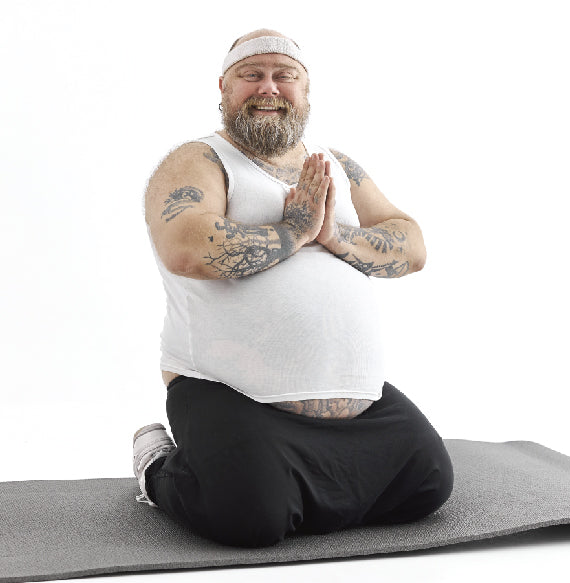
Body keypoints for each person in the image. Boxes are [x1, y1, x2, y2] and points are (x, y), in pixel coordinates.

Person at [134, 28, 453, 548]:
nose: (269, 88)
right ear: (223, 87)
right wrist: (293, 232)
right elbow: (187, 248)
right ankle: (156, 467)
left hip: (359, 403)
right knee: (249, 520)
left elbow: (412, 246)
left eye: (285, 76)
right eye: (250, 75)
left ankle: (297, 485)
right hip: (232, 393)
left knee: (428, 484)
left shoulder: (337, 165)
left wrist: (332, 235)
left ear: (305, 92)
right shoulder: (199, 160)